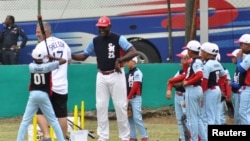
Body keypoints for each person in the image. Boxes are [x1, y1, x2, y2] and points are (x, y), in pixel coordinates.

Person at [72, 16, 138, 141]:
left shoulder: (118, 38)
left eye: (104, 27)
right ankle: (103, 137)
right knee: (101, 106)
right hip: (101, 75)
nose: (101, 29)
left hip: (116, 74)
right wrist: (69, 55)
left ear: (109, 26)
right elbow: (83, 56)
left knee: (120, 106)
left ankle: (125, 137)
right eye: (99, 27)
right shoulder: (95, 41)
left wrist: (120, 59)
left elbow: (134, 51)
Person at [16, 48, 66, 141]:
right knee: (53, 120)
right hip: (44, 95)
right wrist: (52, 58)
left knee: (25, 120)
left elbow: (37, 65)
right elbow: (63, 60)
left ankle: (19, 140)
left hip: (33, 94)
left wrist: (48, 61)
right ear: (43, 57)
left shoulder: (31, 66)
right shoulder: (48, 66)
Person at [34, 22, 72, 140]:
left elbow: (36, 66)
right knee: (61, 114)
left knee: (39, 112)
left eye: (39, 32)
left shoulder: (40, 46)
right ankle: (62, 138)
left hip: (47, 85)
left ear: (46, 32)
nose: (36, 34)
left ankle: (46, 136)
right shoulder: (63, 44)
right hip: (62, 86)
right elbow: (68, 61)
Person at [170, 40, 207, 141]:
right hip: (196, 89)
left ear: (191, 51)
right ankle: (204, 138)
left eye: (188, 50)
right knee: (197, 118)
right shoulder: (195, 61)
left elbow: (199, 75)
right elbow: (189, 74)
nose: (187, 52)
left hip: (193, 89)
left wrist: (188, 82)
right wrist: (186, 65)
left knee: (191, 118)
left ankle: (194, 139)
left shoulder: (196, 61)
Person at [200, 42, 227, 132]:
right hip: (216, 90)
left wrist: (201, 94)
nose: (201, 53)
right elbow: (224, 75)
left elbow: (204, 81)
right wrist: (219, 84)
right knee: (216, 116)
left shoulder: (207, 65)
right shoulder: (217, 63)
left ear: (207, 53)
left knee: (208, 116)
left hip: (209, 90)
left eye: (202, 52)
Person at [166, 49, 191, 141]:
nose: (181, 60)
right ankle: (182, 138)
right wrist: (169, 90)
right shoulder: (180, 71)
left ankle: (189, 138)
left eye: (183, 58)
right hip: (178, 95)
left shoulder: (190, 71)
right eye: (181, 58)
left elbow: (182, 82)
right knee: (179, 120)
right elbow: (171, 81)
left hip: (185, 96)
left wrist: (177, 83)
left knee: (186, 119)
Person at [125, 57, 148, 141]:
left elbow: (136, 85)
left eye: (128, 61)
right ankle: (133, 137)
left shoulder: (137, 72)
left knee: (137, 118)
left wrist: (128, 97)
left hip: (135, 98)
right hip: (128, 98)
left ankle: (144, 137)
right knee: (129, 117)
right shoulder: (127, 74)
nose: (126, 63)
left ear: (134, 61)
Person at [236, 33, 250, 124]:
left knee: (243, 113)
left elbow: (241, 69)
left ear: (248, 45)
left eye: (242, 44)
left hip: (248, 88)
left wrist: (239, 58)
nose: (240, 46)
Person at [227, 49, 243, 124]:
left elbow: (240, 84)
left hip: (240, 93)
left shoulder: (240, 68)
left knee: (239, 116)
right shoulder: (238, 67)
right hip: (238, 93)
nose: (232, 58)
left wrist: (230, 83)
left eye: (233, 57)